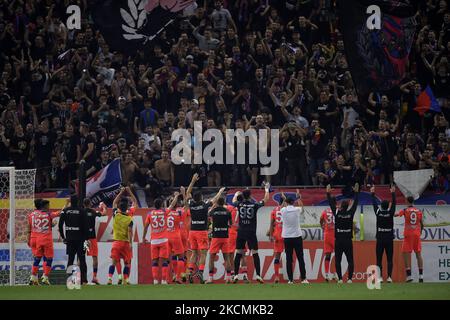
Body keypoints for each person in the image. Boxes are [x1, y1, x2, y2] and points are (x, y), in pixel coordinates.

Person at [184, 173, 225, 283]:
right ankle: (200, 273)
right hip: (201, 232)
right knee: (203, 253)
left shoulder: (192, 204)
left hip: (192, 232)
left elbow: (187, 193)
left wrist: (192, 181)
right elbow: (215, 200)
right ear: (201, 198)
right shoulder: (204, 205)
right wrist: (220, 192)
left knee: (194, 253)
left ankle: (190, 273)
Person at [232, 183, 270, 284]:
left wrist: (236, 194)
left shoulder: (239, 204)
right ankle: (258, 275)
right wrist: (266, 189)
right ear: (250, 196)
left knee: (239, 252)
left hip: (241, 231)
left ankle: (235, 275)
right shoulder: (254, 205)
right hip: (251, 232)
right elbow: (266, 200)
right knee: (255, 253)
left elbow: (233, 201)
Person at [326, 183, 359, 283]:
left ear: (340, 206)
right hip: (348, 241)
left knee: (338, 260)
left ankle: (340, 279)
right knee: (350, 260)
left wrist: (328, 193)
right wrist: (356, 193)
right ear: (348, 205)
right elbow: (356, 203)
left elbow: (331, 204)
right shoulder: (350, 213)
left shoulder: (337, 213)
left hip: (339, 241)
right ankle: (349, 279)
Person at [143, 194, 179, 285]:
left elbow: (146, 227)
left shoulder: (150, 214)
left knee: (154, 261)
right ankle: (163, 280)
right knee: (164, 261)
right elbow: (172, 205)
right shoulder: (164, 212)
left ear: (154, 205)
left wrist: (143, 238)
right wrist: (176, 196)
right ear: (162, 205)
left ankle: (155, 280)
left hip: (154, 241)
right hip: (163, 240)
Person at [27, 199, 59, 285]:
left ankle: (33, 277)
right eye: (48, 205)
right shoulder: (48, 214)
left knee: (37, 258)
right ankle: (45, 276)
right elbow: (59, 213)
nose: (49, 207)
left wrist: (28, 238)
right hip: (46, 239)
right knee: (49, 258)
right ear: (44, 206)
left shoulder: (32, 215)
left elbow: (30, 227)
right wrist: (67, 204)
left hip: (36, 239)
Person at [59, 194, 89, 284]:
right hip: (81, 239)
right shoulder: (82, 211)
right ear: (78, 201)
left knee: (70, 259)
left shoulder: (65, 211)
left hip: (69, 239)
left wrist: (63, 237)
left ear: (71, 201)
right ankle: (84, 280)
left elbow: (60, 225)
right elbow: (86, 226)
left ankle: (70, 280)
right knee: (82, 259)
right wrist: (86, 239)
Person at [107, 187, 134, 285]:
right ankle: (126, 280)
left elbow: (114, 202)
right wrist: (130, 243)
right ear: (127, 208)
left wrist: (121, 192)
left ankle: (110, 279)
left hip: (116, 242)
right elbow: (130, 232)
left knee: (113, 262)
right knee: (127, 263)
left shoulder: (116, 215)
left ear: (119, 207)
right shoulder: (129, 219)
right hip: (125, 243)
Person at [280, 193, 309, 284]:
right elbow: (302, 208)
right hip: (297, 237)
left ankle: (290, 280)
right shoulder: (296, 209)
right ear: (293, 202)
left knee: (289, 259)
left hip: (287, 237)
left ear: (286, 202)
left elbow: (281, 208)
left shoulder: (283, 210)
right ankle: (303, 279)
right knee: (300, 258)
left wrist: (284, 199)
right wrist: (299, 198)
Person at [371, 185, 396, 283]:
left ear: (381, 206)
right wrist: (393, 193)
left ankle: (380, 277)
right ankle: (389, 277)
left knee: (378, 259)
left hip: (380, 239)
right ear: (388, 206)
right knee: (389, 259)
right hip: (389, 239)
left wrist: (372, 193)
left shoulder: (378, 213)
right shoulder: (391, 213)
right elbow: (394, 203)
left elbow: (374, 204)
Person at [395, 196, 424, 283]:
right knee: (418, 254)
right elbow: (422, 223)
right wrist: (420, 232)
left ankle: (409, 276)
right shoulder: (419, 211)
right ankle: (421, 276)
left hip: (408, 234)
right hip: (416, 234)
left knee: (405, 253)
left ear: (407, 201)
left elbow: (396, 215)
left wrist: (390, 210)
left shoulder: (404, 210)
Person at [206, 197, 232, 284]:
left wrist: (214, 206)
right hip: (225, 236)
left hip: (216, 236)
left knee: (211, 257)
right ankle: (228, 277)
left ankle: (210, 278)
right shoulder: (228, 212)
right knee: (227, 258)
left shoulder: (213, 211)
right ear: (224, 202)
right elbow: (231, 224)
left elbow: (208, 215)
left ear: (217, 203)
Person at [83, 199, 108, 284]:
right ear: (90, 203)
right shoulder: (93, 212)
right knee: (95, 257)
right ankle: (94, 277)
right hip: (92, 238)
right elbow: (104, 213)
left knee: (80, 257)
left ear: (83, 204)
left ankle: (80, 277)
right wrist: (104, 207)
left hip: (83, 238)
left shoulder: (81, 212)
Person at [165, 190, 187, 284]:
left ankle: (167, 279)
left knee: (170, 258)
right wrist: (183, 193)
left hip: (167, 237)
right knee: (181, 257)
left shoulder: (165, 212)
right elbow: (186, 206)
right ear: (176, 204)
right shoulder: (179, 212)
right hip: (176, 237)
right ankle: (178, 277)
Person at [267, 195, 285, 283]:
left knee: (277, 255)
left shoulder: (274, 210)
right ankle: (290, 278)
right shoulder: (287, 210)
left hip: (277, 235)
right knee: (289, 255)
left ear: (278, 202)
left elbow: (271, 224)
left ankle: (277, 276)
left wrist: (270, 235)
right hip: (287, 235)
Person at [320, 206, 335, 282]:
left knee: (327, 255)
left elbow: (321, 219)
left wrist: (322, 226)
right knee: (337, 255)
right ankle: (336, 274)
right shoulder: (336, 210)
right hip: (334, 235)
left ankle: (326, 274)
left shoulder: (325, 211)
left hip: (326, 234)